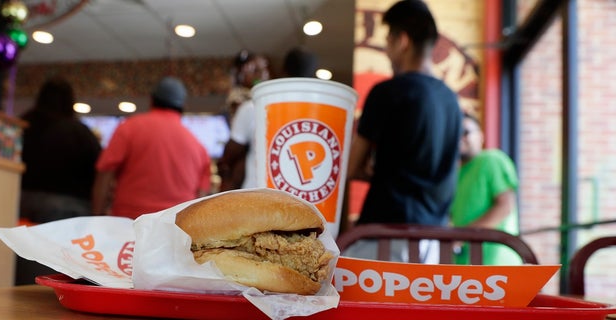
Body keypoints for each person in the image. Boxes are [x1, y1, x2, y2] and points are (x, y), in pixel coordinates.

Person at [343, 0, 462, 262]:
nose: (387, 50)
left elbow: (350, 168)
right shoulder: (451, 101)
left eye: (388, 40)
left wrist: (376, 172)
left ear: (402, 41)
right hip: (434, 243)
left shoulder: (387, 93)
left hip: (385, 238)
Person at [17, 76, 102, 284]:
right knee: (51, 274)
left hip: (21, 201)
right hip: (67, 208)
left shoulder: (23, 125)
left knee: (21, 263)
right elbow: (99, 170)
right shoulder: (79, 132)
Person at [91, 76, 212, 219]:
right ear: (182, 107)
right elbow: (201, 197)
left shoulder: (129, 128)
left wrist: (96, 218)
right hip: (174, 228)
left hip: (129, 225)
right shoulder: (199, 148)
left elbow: (105, 174)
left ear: (151, 100)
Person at [218, 47, 317, 191]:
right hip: (299, 194)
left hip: (257, 194)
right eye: (255, 70)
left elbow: (230, 153)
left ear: (282, 72)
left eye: (263, 69)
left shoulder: (254, 107)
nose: (262, 74)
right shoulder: (317, 112)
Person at [451, 113, 522, 265]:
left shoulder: (491, 159)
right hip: (466, 263)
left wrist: (462, 236)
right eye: (454, 132)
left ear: (480, 136)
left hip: (496, 263)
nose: (459, 138)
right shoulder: (455, 173)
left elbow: (505, 206)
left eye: (465, 132)